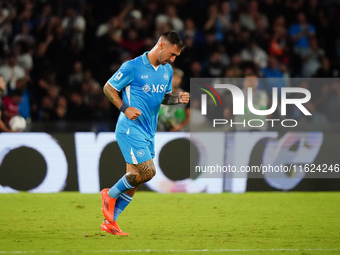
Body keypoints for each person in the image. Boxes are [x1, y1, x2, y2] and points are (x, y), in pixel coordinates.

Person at [101, 30, 189, 236]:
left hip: (149, 131)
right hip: (130, 128)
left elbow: (163, 97)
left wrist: (177, 99)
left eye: (176, 56)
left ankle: (110, 222)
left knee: (137, 177)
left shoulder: (167, 71)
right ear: (161, 45)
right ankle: (109, 194)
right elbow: (108, 88)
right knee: (148, 172)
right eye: (172, 54)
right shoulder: (132, 67)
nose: (173, 59)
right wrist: (125, 108)